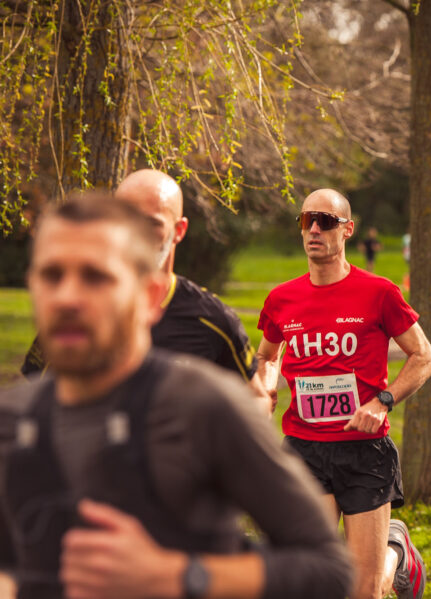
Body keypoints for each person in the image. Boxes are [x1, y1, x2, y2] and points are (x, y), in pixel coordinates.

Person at [0, 194, 353, 599]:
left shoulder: (205, 407)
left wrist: (178, 575)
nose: (67, 298)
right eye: (51, 275)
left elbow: (329, 569)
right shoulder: (11, 419)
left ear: (149, 298)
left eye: (96, 277)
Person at [255, 189, 431, 599]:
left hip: (364, 451)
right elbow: (267, 357)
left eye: (326, 221)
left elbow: (424, 357)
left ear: (348, 230)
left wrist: (382, 401)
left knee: (366, 590)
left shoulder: (379, 292)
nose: (314, 229)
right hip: (304, 448)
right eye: (307, 221)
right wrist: (263, 396)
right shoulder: (281, 299)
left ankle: (397, 551)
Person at [19, 169, 273, 415]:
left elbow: (256, 399)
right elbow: (31, 396)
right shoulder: (78, 308)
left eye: (151, 224)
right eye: (127, 220)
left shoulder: (213, 319)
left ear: (179, 230)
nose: (136, 235)